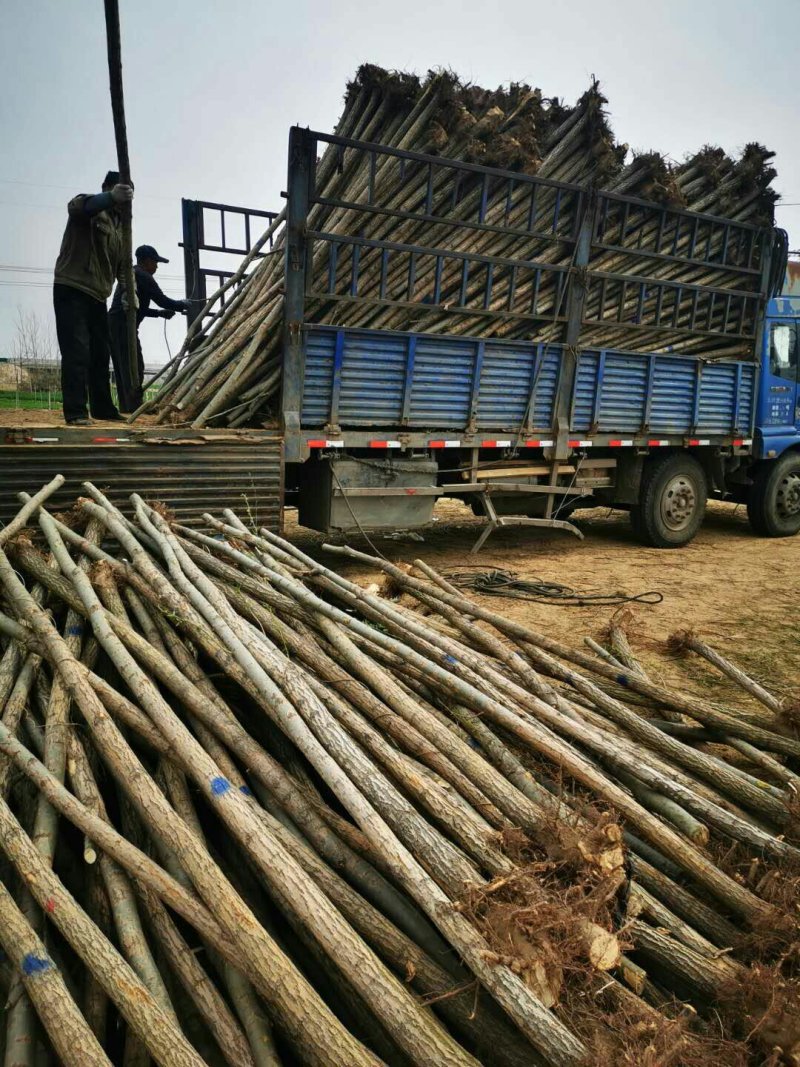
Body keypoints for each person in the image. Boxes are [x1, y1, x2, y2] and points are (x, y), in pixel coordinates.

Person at [53, 170, 133, 425]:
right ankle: (76, 411)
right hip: (72, 287)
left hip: (99, 294)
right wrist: (109, 197)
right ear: (109, 187)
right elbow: (77, 207)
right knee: (77, 351)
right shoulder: (90, 207)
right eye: (122, 192)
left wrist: (130, 294)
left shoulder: (122, 227)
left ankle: (102, 407)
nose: (126, 199)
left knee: (101, 354)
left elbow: (123, 265)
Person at [109, 244, 190, 413]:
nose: (157, 266)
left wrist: (160, 314)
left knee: (124, 366)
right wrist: (181, 305)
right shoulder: (143, 275)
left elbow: (137, 308)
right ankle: (134, 407)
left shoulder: (133, 274)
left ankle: (128, 406)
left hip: (116, 325)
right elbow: (162, 299)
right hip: (123, 327)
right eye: (155, 262)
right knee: (134, 366)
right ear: (146, 261)